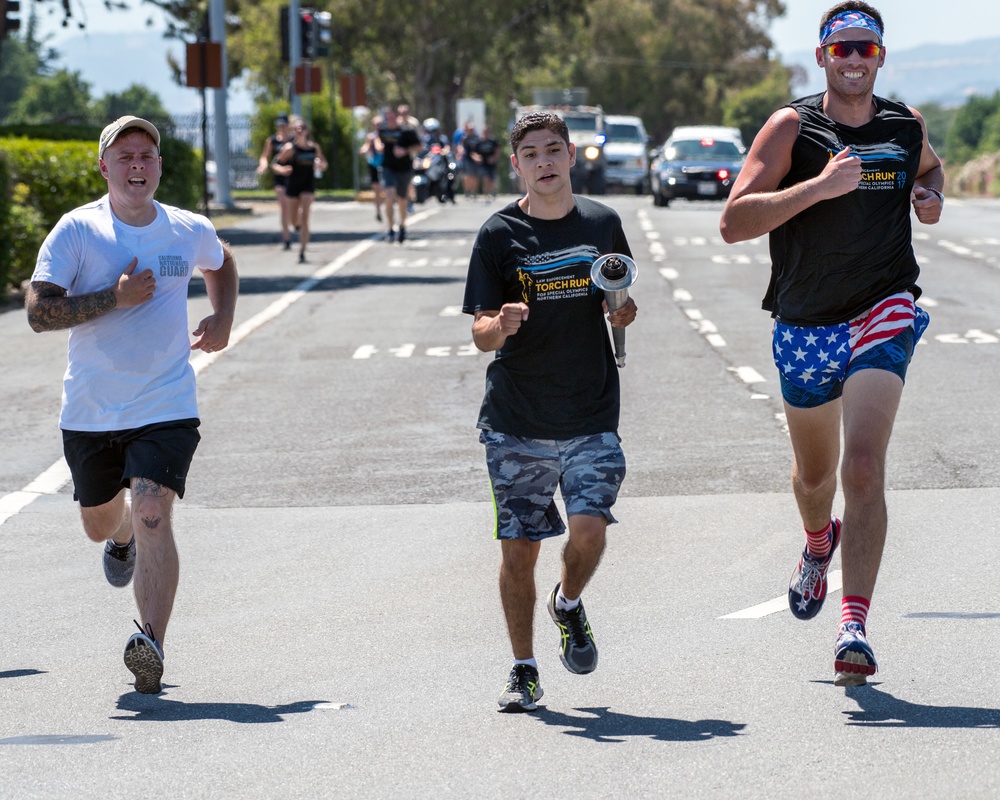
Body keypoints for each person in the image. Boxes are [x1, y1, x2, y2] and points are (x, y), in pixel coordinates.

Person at [719, 2, 944, 687]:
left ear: (880, 57)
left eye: (866, 50)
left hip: (883, 306)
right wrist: (817, 188)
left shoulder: (903, 126)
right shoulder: (793, 126)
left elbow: (930, 170)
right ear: (822, 57)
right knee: (816, 478)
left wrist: (930, 196)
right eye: (841, 49)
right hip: (806, 320)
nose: (853, 60)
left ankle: (854, 624)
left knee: (865, 467)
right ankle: (819, 542)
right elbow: (733, 222)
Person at [25, 115, 239, 695]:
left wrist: (221, 318)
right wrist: (112, 299)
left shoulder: (185, 228)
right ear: (105, 167)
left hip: (166, 401)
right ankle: (118, 535)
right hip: (92, 409)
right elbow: (39, 312)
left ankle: (151, 644)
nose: (137, 165)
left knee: (153, 511)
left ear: (160, 166)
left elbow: (222, 259)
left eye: (147, 155)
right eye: (125, 157)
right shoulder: (77, 231)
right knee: (102, 525)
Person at [462, 111, 638, 712]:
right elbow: (480, 332)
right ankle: (524, 668)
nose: (544, 162)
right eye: (531, 153)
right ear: (517, 165)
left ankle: (567, 602)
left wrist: (622, 311)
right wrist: (499, 325)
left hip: (590, 410)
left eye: (554, 150)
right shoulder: (497, 235)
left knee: (588, 532)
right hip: (517, 418)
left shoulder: (602, 222)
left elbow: (617, 287)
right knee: (518, 551)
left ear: (570, 156)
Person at [275, 117, 328, 263]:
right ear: (294, 131)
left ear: (307, 130)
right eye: (297, 128)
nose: (300, 130)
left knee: (305, 216)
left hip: (307, 185)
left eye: (302, 128)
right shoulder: (289, 149)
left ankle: (302, 251)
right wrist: (283, 169)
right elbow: (276, 164)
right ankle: (297, 224)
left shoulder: (314, 148)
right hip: (292, 186)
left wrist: (321, 165)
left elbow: (324, 162)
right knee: (293, 221)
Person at [377, 107, 422, 243]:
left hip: (404, 169)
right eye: (387, 118)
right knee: (389, 195)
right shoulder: (383, 130)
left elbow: (419, 146)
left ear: (396, 117)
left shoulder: (406, 131)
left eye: (392, 117)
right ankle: (390, 229)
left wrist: (405, 151)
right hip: (388, 167)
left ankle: (402, 225)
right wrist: (378, 146)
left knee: (402, 199)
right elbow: (378, 140)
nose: (390, 120)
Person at [256, 113, 293, 249]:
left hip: (293, 176)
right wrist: (263, 165)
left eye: (283, 125)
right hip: (279, 177)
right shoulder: (272, 141)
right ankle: (286, 238)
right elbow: (265, 156)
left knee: (293, 206)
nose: (281, 128)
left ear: (288, 125)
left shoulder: (293, 140)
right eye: (279, 125)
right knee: (283, 206)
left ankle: (295, 223)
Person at [359, 115, 385, 222]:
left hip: (385, 165)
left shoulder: (386, 136)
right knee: (377, 189)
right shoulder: (371, 137)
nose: (378, 126)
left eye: (380, 124)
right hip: (374, 165)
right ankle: (378, 211)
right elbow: (366, 147)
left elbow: (380, 149)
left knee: (388, 189)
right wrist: (364, 150)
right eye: (376, 124)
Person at [474, 124, 501, 202]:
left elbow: (498, 151)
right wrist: (477, 158)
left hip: (491, 164)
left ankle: (492, 191)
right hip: (483, 164)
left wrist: (494, 158)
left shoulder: (493, 141)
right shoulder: (479, 141)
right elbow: (473, 153)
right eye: (484, 132)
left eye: (486, 132)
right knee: (485, 179)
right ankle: (486, 195)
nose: (485, 133)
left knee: (491, 180)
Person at [458, 121, 480, 199]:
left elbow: (479, 147)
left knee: (475, 176)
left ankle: (474, 192)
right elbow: (461, 146)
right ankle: (467, 191)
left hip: (476, 160)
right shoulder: (465, 138)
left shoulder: (476, 137)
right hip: (467, 159)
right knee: (468, 176)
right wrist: (460, 152)